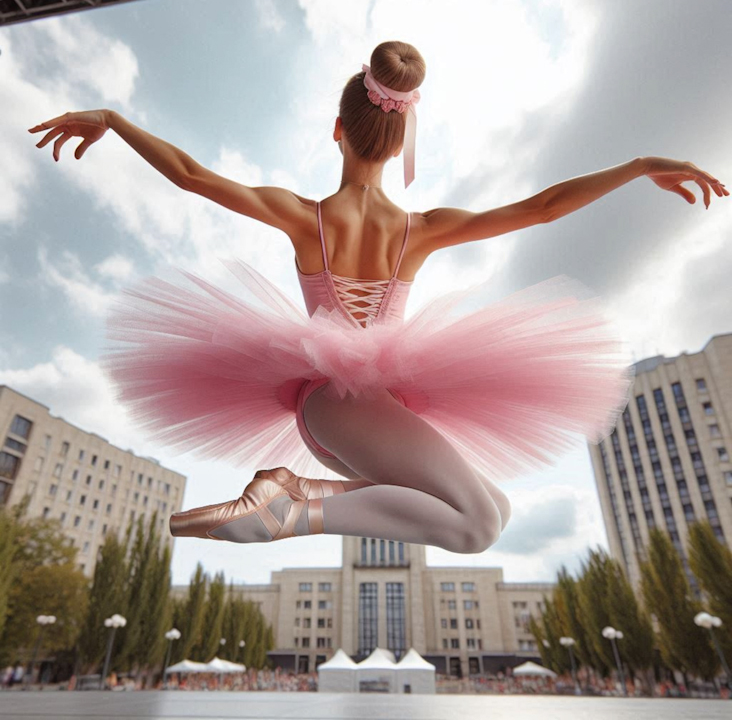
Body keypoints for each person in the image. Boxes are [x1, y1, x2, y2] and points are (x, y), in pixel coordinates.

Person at [28, 41, 727, 550]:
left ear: (340, 130)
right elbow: (542, 207)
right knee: (477, 526)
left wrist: (116, 120)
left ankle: (297, 495)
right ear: (398, 142)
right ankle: (291, 509)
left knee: (496, 509)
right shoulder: (418, 231)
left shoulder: (304, 216)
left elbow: (192, 176)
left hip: (337, 411)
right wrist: (637, 166)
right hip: (344, 405)